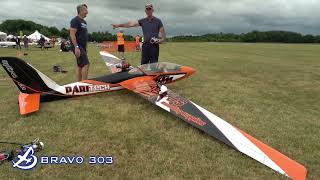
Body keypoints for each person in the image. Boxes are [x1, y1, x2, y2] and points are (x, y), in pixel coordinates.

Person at [69, 4, 89, 81]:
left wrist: (85, 47)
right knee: (86, 64)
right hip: (77, 46)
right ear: (80, 11)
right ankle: (84, 84)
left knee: (80, 65)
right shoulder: (75, 20)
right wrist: (76, 47)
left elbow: (84, 35)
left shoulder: (84, 22)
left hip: (82, 47)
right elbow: (72, 34)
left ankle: (79, 84)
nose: (87, 12)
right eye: (85, 10)